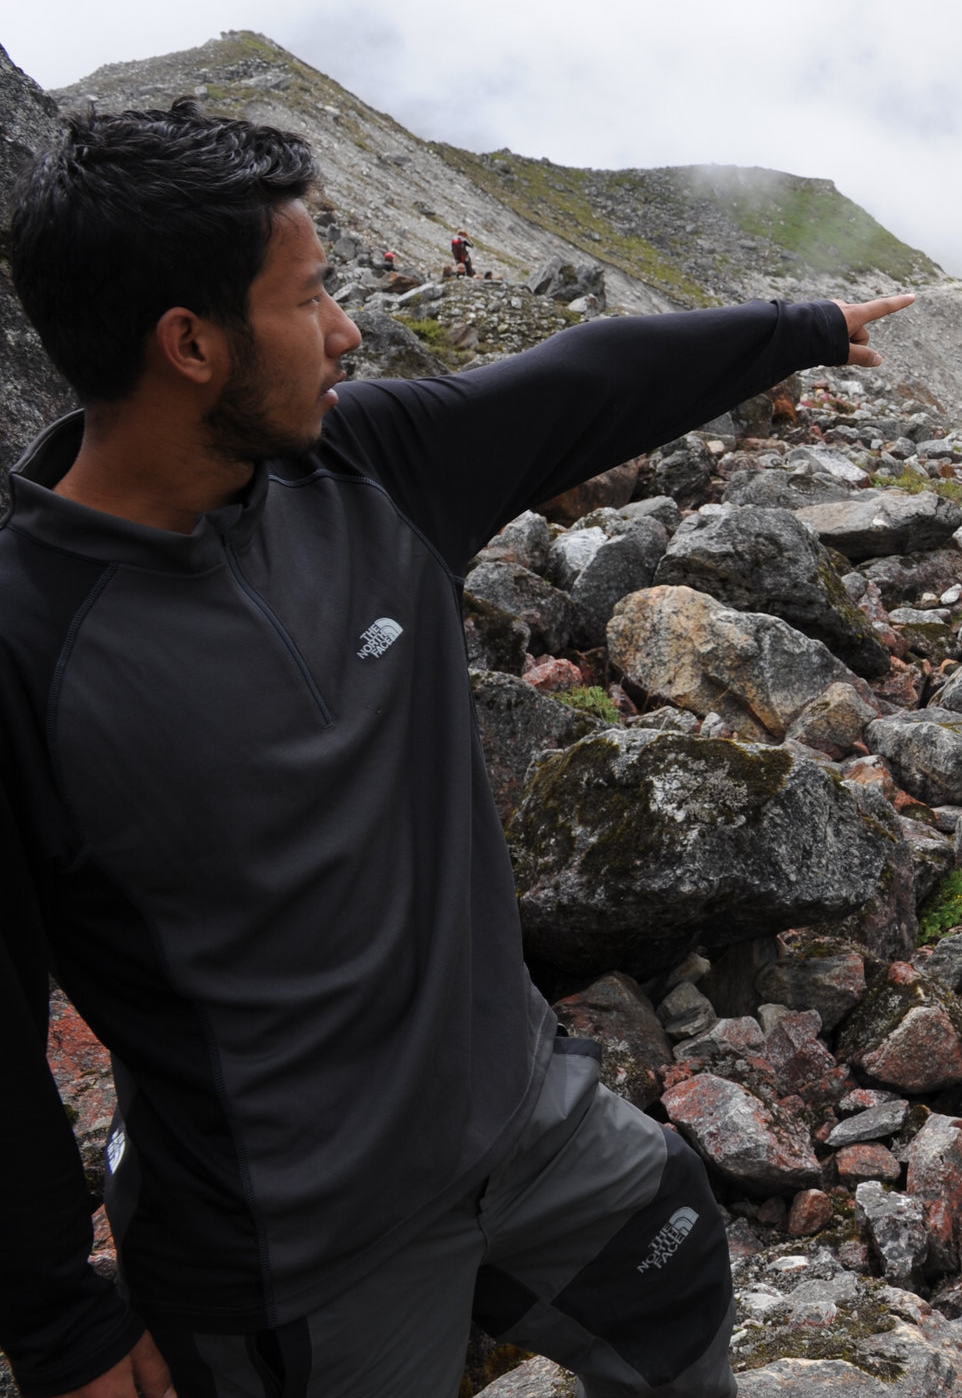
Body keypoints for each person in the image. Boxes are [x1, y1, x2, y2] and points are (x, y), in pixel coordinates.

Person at [0, 103, 915, 1398]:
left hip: (526, 1123)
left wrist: (805, 332)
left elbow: (584, 380)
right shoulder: (28, 651)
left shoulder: (367, 469)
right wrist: (59, 1325)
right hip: (301, 1258)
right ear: (191, 343)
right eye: (309, 298)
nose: (348, 330)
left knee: (677, 1275)